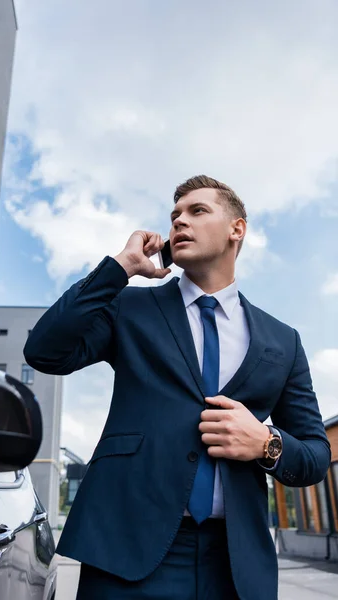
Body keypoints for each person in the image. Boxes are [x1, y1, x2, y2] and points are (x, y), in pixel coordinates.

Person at [24, 175, 331, 600]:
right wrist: (120, 268)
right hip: (125, 553)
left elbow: (317, 454)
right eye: (174, 216)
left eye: (197, 211)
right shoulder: (129, 306)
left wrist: (267, 442)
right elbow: (44, 351)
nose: (179, 222)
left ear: (236, 229)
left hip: (236, 565)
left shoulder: (283, 340)